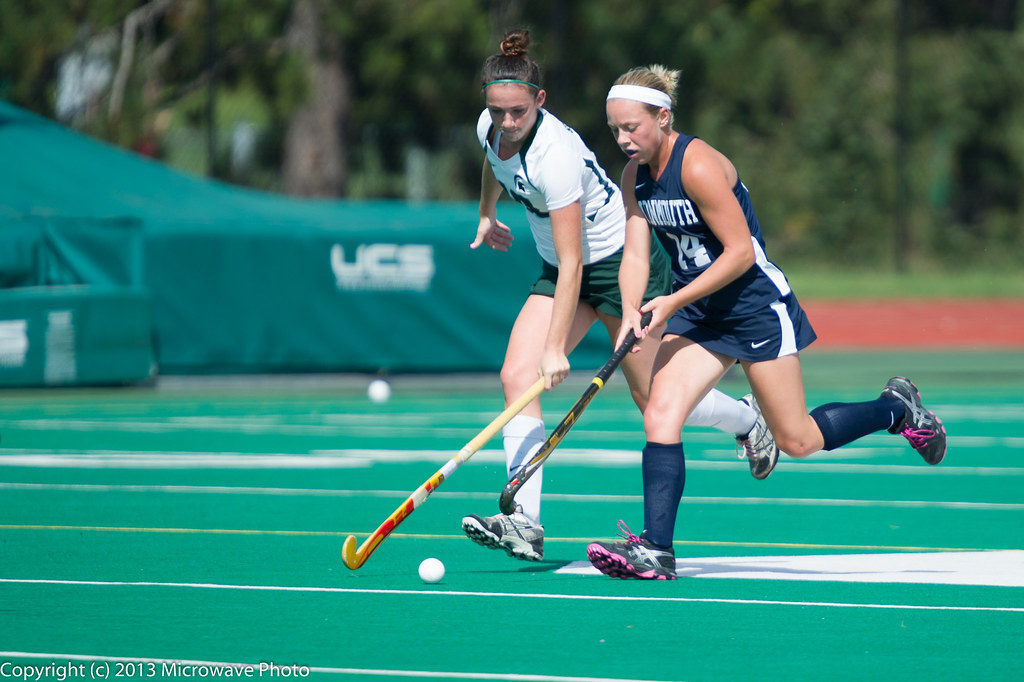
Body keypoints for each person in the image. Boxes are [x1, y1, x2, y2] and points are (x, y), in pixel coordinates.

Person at [585, 65, 948, 580]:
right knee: (659, 412)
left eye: (632, 127)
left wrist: (670, 302)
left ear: (663, 117)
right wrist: (630, 313)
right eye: (615, 129)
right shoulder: (633, 177)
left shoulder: (699, 166)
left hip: (753, 304)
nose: (623, 139)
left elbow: (739, 256)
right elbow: (637, 257)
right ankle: (656, 549)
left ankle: (895, 408)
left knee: (797, 440)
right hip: (700, 309)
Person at [460, 31, 778, 563]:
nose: (507, 124)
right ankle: (525, 521)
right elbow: (493, 162)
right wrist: (486, 212)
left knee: (654, 401)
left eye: (517, 113)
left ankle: (749, 421)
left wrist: (556, 346)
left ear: (539, 102)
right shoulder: (491, 128)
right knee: (517, 376)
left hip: (612, 264)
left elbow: (575, 264)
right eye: (498, 113)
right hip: (561, 266)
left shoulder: (555, 158)